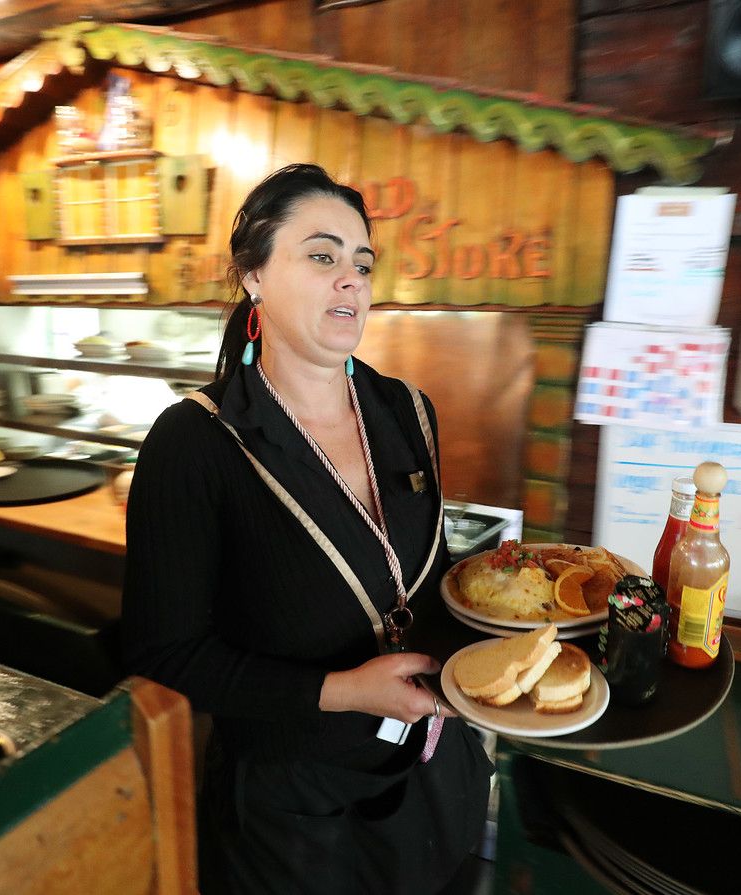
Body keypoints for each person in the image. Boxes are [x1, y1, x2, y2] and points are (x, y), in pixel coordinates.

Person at [121, 164, 493, 894]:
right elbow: (164, 655)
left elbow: (432, 584)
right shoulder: (196, 441)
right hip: (294, 813)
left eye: (362, 262)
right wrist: (344, 691)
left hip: (434, 778)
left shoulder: (408, 410)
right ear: (253, 274)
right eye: (322, 256)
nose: (351, 280)